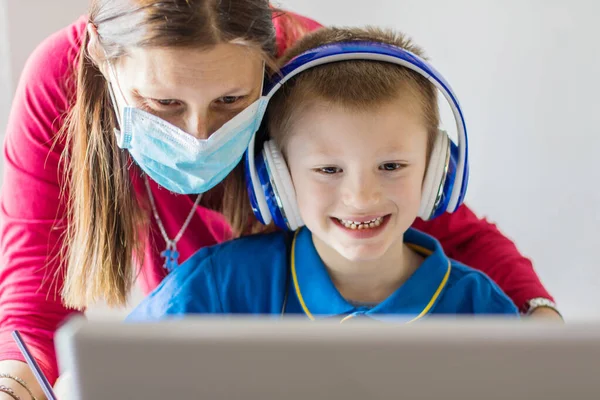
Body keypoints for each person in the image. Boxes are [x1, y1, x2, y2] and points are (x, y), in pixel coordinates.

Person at [0, 0, 557, 398]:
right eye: (164, 103)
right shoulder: (62, 81)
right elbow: (36, 294)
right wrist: (15, 379)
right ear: (104, 62)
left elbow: (426, 212)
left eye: (230, 100)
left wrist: (545, 334)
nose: (198, 134)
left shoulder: (311, 74)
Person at [128, 26, 520, 322]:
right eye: (328, 169)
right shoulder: (216, 288)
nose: (362, 196)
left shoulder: (481, 311)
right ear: (276, 178)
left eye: (391, 166)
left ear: (436, 172)